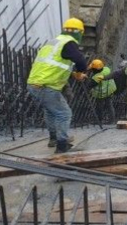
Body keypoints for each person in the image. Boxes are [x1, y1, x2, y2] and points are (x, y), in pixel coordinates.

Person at [26, 18, 88, 153]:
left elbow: (54, 65)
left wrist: (73, 74)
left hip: (34, 84)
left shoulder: (54, 42)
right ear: (79, 32)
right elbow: (81, 61)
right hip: (46, 86)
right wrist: (79, 73)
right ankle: (62, 146)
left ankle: (54, 138)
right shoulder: (69, 43)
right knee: (64, 113)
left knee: (51, 111)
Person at [88, 58, 122, 125]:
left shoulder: (97, 77)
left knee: (99, 107)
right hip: (109, 90)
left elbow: (90, 85)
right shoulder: (106, 69)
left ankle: (99, 120)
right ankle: (112, 120)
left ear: (94, 70)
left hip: (101, 93)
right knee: (109, 105)